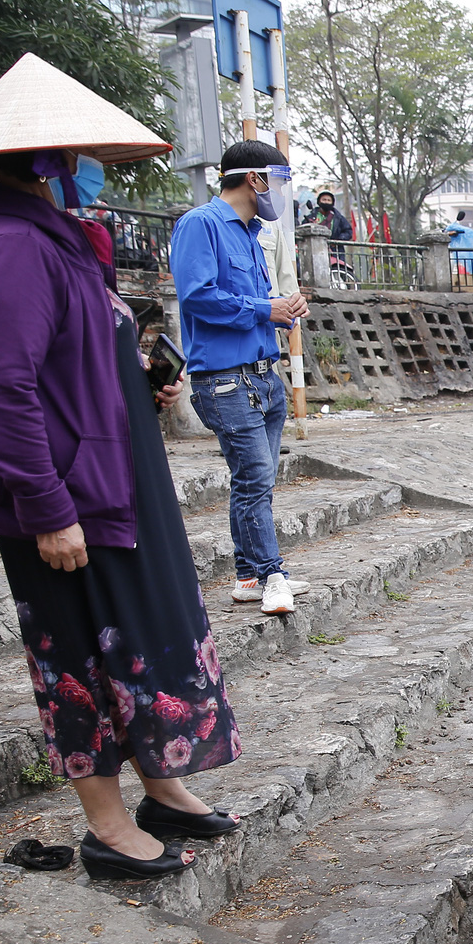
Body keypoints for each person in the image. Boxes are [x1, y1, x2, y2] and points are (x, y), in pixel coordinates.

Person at [0, 52, 243, 882]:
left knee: (137, 635)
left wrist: (138, 378)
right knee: (79, 652)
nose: (85, 172)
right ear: (46, 163)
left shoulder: (55, 239)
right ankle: (106, 825)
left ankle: (161, 785)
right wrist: (44, 505)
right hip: (65, 497)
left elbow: (68, 357)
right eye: (72, 158)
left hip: (113, 483)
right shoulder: (3, 245)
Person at [171, 140, 311, 615]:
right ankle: (273, 574)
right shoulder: (200, 225)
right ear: (254, 179)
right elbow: (197, 298)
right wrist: (262, 307)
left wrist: (283, 312)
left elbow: (252, 309)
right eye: (279, 179)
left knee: (256, 482)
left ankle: (248, 575)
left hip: (262, 375)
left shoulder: (252, 233)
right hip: (225, 382)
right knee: (254, 480)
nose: (280, 191)